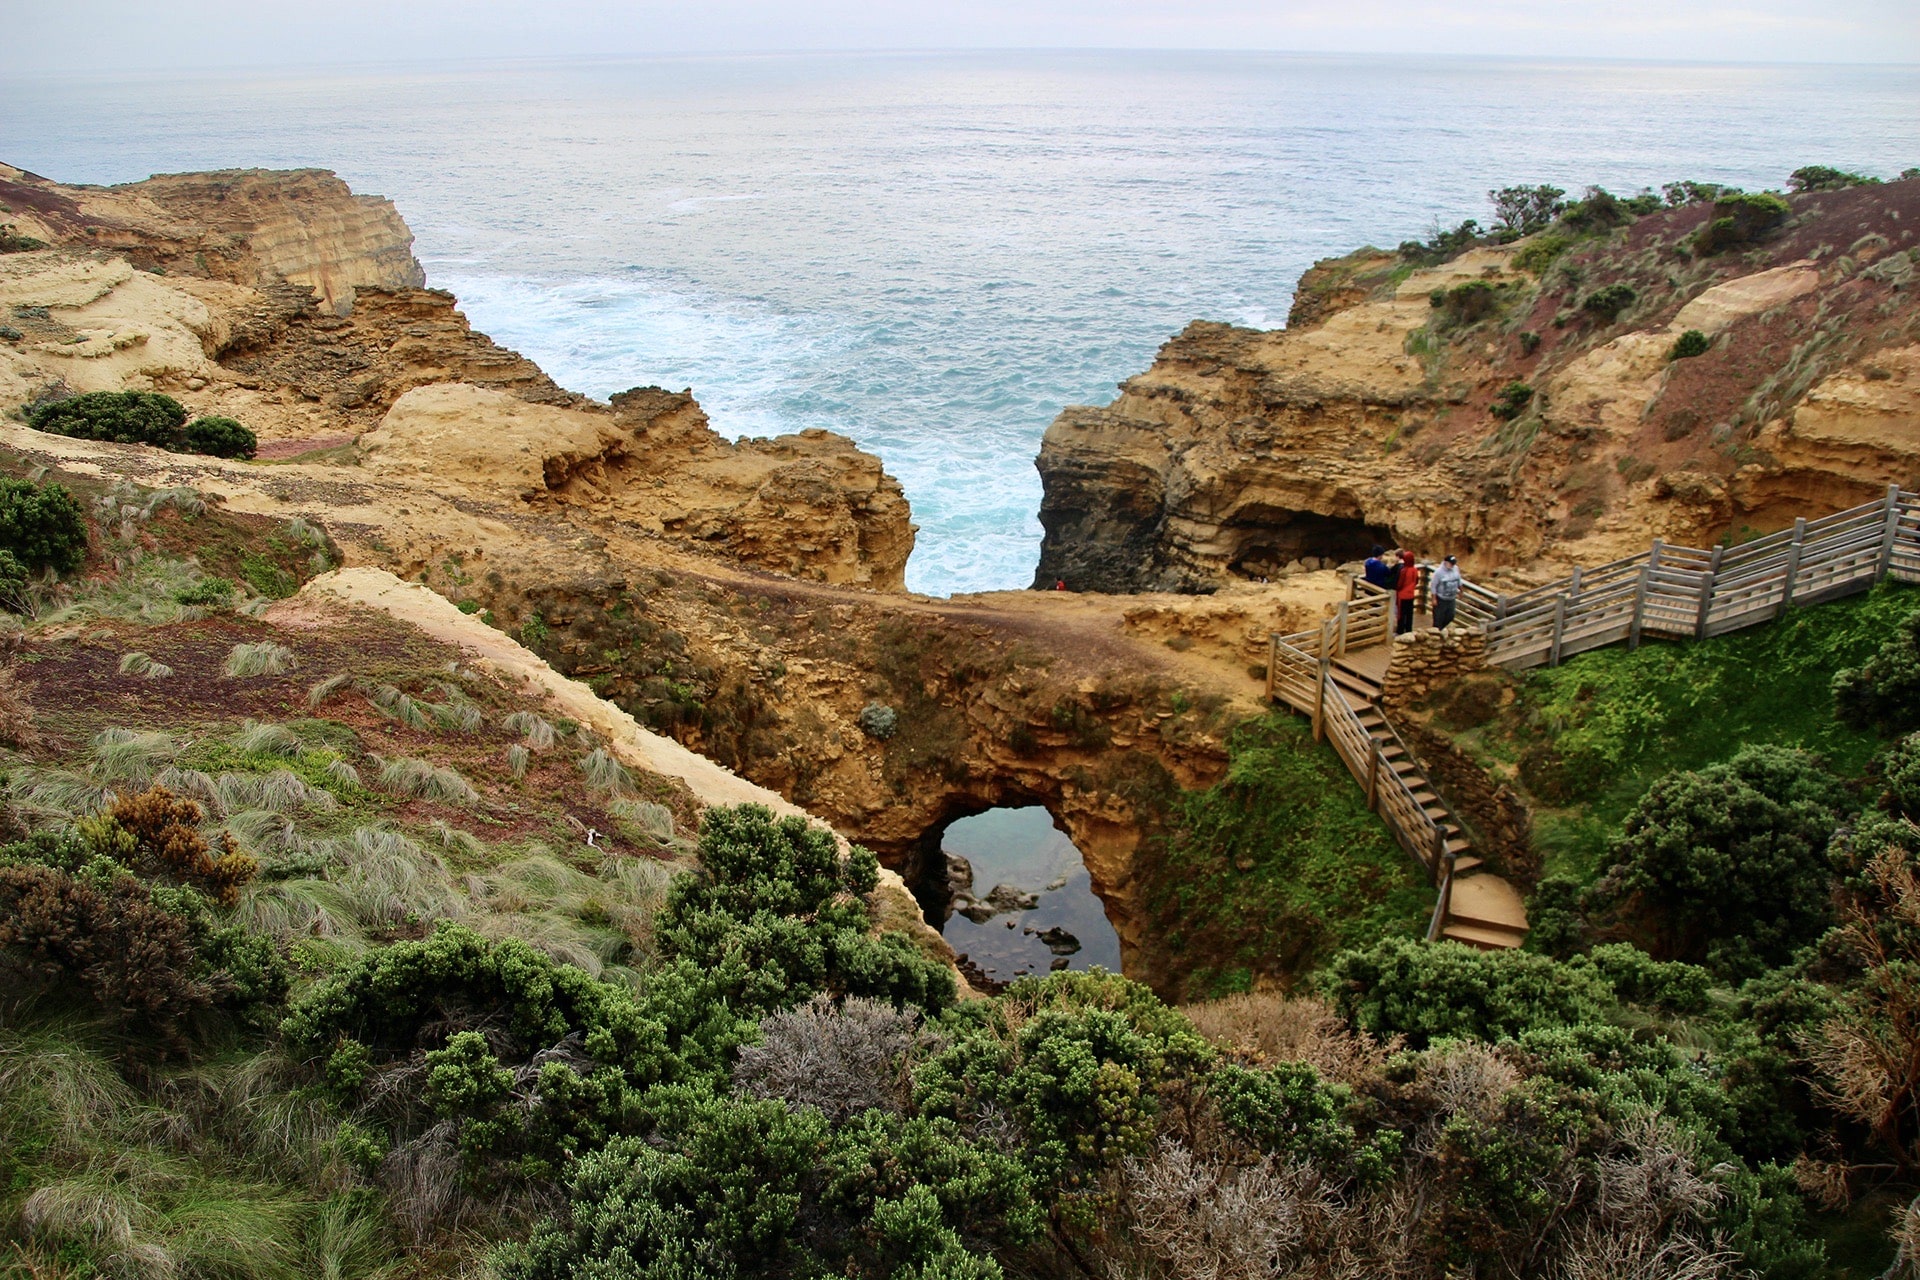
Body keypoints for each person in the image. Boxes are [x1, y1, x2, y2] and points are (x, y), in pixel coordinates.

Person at [1431, 554, 1462, 629]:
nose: (1452, 565)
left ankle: (1441, 628)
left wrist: (1461, 591)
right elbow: (1433, 586)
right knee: (1438, 619)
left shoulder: (1456, 569)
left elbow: (1459, 580)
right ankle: (1436, 631)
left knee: (1450, 616)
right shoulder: (1438, 572)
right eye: (1451, 563)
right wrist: (1434, 599)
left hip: (1451, 599)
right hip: (1441, 599)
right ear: (1445, 562)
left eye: (1453, 563)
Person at [1395, 549, 1420, 635]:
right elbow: (1416, 581)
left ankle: (1400, 631)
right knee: (1409, 614)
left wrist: (1397, 589)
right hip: (1411, 595)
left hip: (1402, 595)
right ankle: (1409, 630)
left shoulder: (1404, 570)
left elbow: (1400, 584)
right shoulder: (1415, 570)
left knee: (1401, 615)